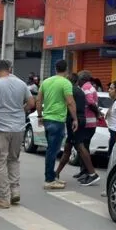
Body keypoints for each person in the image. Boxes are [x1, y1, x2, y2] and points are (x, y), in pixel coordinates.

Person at [0, 59, 35, 208]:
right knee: (14, 159)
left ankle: (3, 197)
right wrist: (19, 112)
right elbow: (31, 103)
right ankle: (15, 191)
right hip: (18, 128)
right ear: (10, 69)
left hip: (1, 128)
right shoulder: (21, 84)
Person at [36, 59, 78, 190]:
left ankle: (52, 177)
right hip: (58, 120)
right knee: (52, 151)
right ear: (66, 70)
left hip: (47, 119)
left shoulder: (46, 81)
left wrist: (39, 115)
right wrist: (75, 119)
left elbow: (38, 100)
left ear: (55, 68)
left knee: (51, 150)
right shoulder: (66, 83)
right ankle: (49, 179)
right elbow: (70, 102)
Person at [54, 72, 99, 186]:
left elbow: (69, 104)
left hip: (75, 121)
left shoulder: (71, 91)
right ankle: (56, 173)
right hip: (79, 120)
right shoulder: (79, 90)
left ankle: (92, 174)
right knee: (68, 147)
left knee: (79, 146)